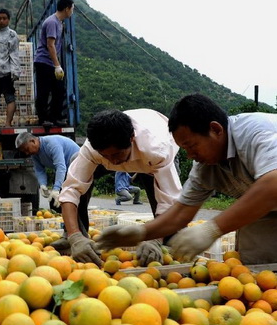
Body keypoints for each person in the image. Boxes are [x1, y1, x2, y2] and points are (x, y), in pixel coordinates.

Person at [95, 94, 277, 265]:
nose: (190, 155)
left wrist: (212, 229)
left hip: (268, 196)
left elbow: (272, 184)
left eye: (191, 145)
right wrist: (142, 232)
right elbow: (181, 212)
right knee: (257, 268)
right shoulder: (205, 167)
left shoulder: (256, 133)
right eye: (184, 149)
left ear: (215, 129)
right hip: (263, 207)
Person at [59, 109, 182, 266]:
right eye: (106, 156)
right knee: (75, 162)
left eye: (116, 155)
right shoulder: (93, 148)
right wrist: (74, 236)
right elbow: (71, 190)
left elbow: (170, 201)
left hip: (153, 157)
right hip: (123, 147)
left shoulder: (157, 149)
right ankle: (77, 238)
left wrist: (154, 239)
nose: (113, 161)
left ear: (131, 139)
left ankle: (162, 246)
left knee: (168, 227)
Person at [33, 0, 74, 127]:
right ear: (67, 8)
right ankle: (44, 119)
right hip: (44, 61)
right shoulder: (52, 22)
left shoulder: (59, 23)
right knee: (44, 91)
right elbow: (50, 45)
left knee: (59, 89)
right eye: (72, 8)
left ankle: (55, 117)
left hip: (51, 62)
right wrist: (57, 65)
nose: (72, 11)